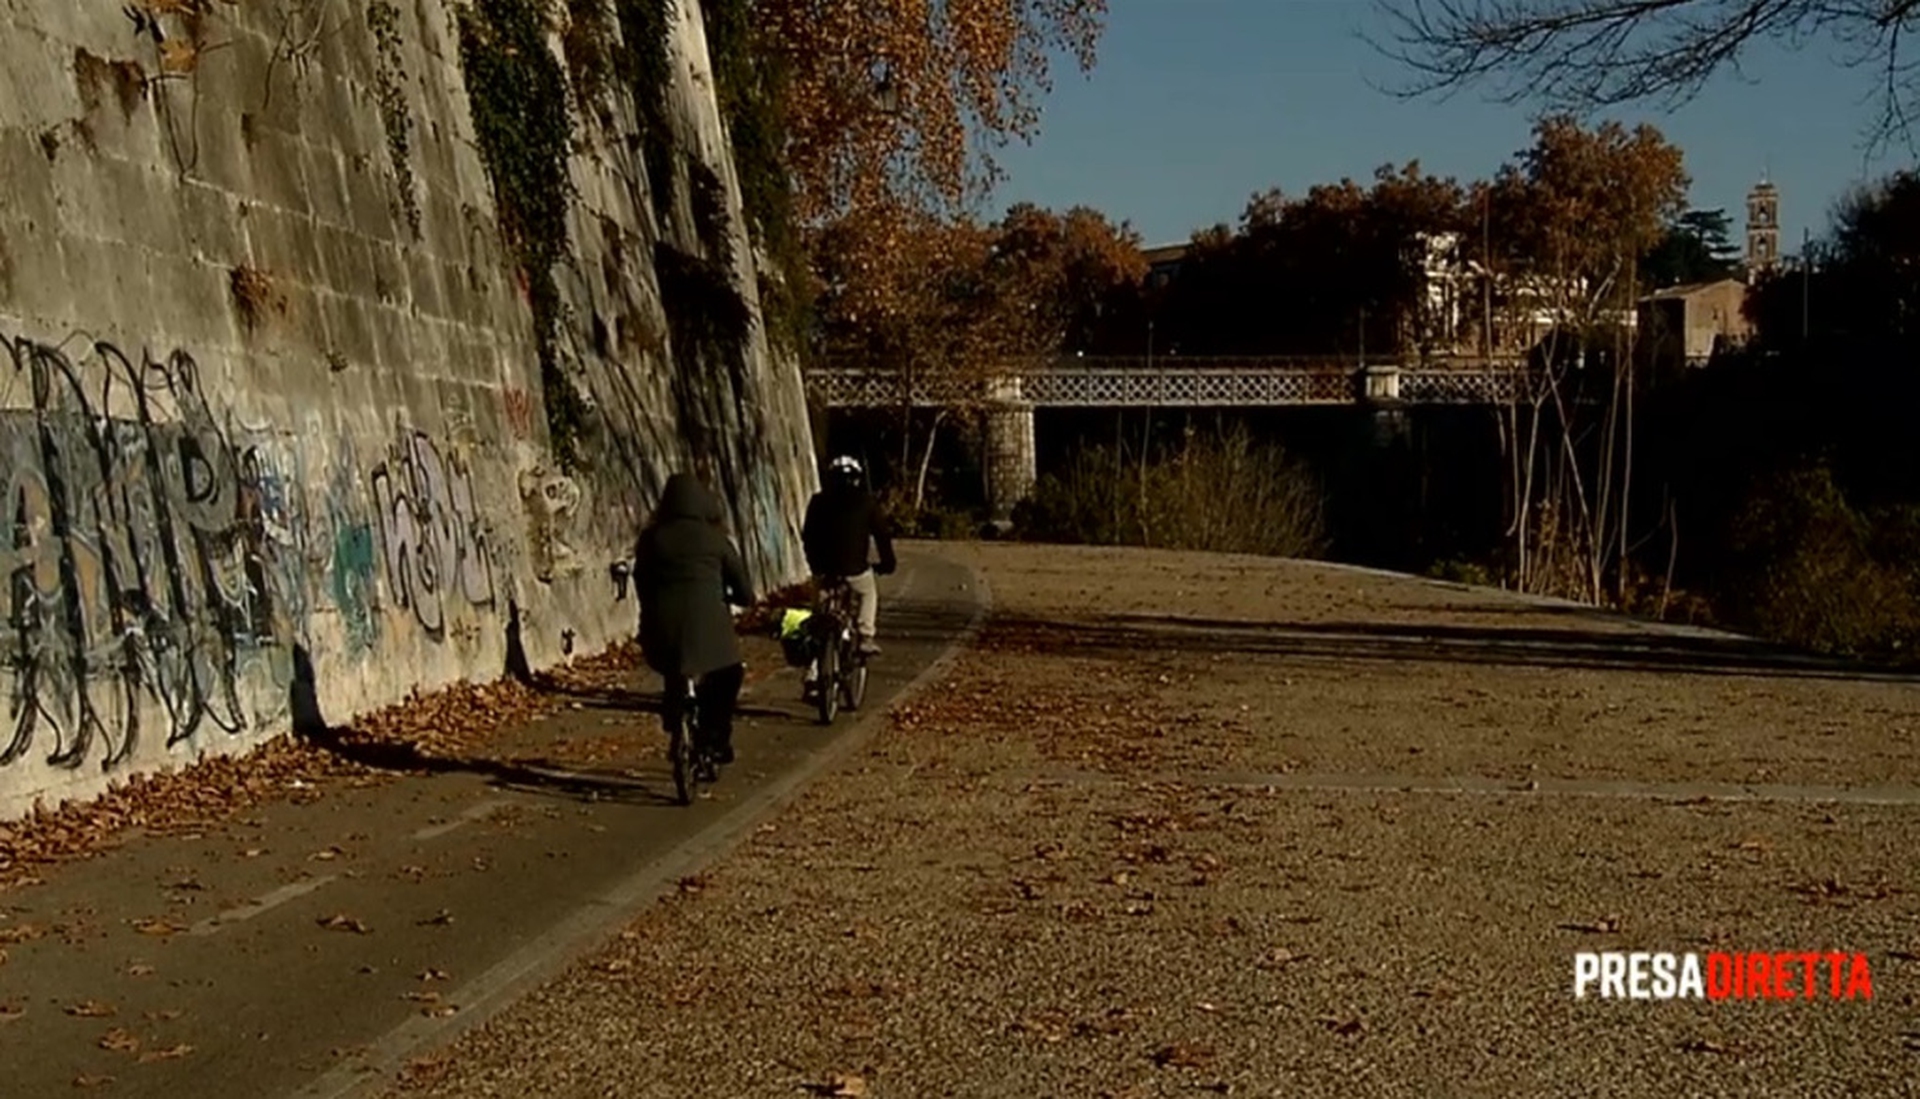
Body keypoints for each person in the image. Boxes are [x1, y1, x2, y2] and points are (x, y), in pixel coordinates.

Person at [633, 471, 755, 767]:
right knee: (728, 674)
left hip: (662, 628)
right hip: (710, 632)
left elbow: (641, 580)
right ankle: (715, 738)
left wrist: (651, 609)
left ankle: (674, 711)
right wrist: (740, 599)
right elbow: (743, 588)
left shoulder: (651, 539)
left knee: (674, 665)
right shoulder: (716, 540)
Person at [801, 455, 896, 662]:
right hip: (855, 569)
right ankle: (866, 634)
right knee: (868, 593)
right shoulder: (867, 503)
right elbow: (882, 536)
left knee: (819, 614)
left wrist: (813, 563)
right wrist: (888, 564)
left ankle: (813, 665)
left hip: (824, 570)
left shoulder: (818, 501)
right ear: (856, 479)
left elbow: (808, 535)